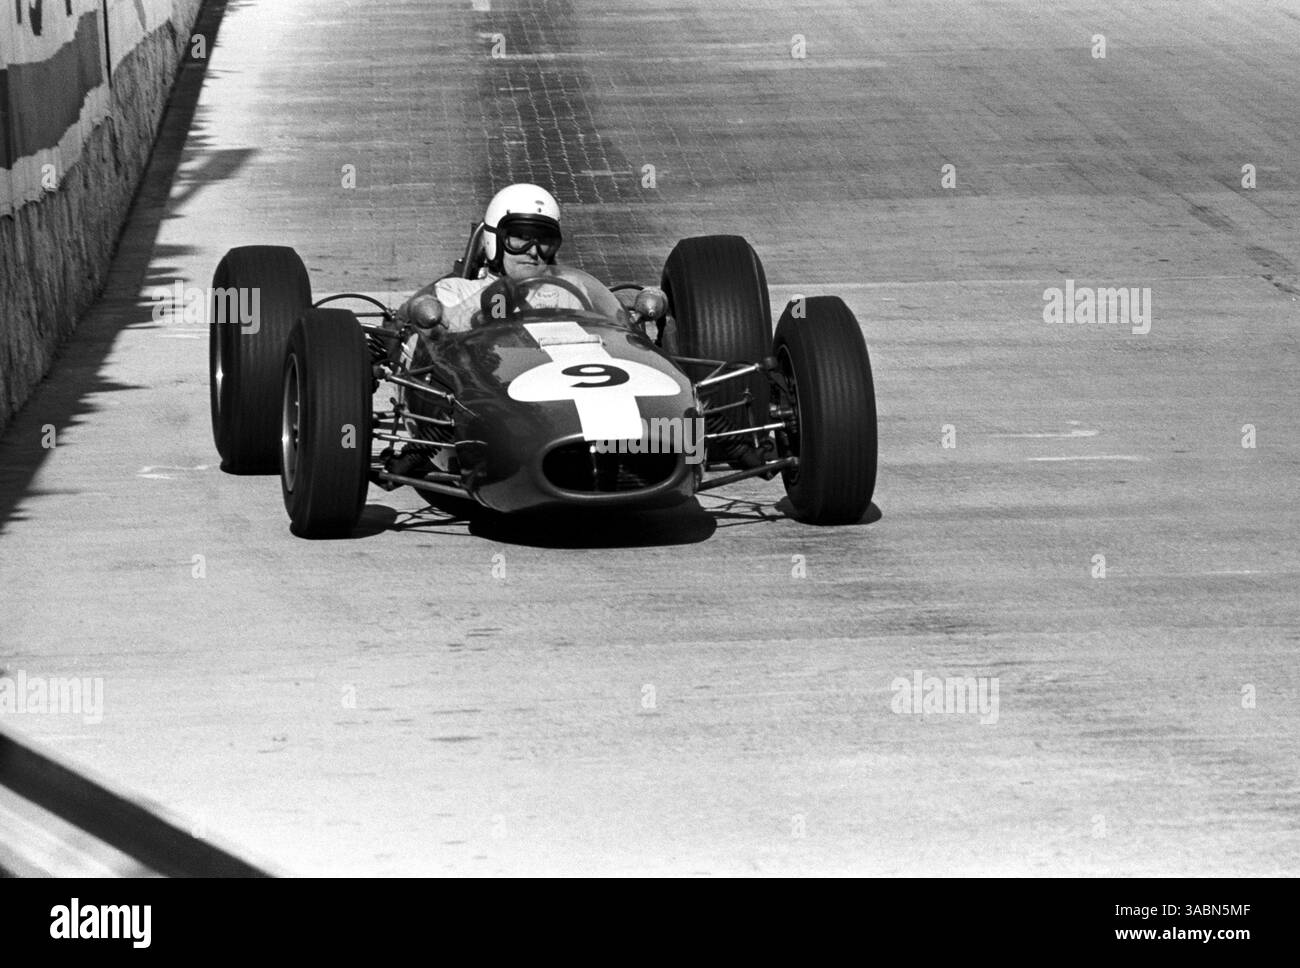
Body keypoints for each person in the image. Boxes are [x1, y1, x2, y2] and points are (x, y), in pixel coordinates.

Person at [397, 183, 570, 334]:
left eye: (544, 241)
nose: (533, 251)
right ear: (495, 240)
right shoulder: (456, 291)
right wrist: (481, 315)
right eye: (521, 239)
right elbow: (440, 338)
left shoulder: (569, 290)